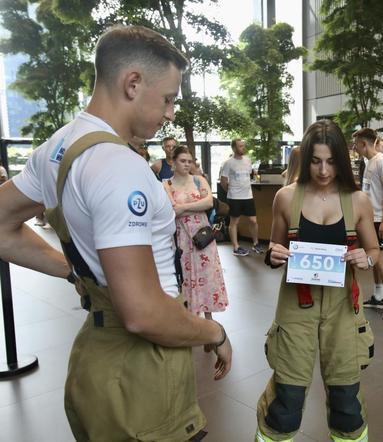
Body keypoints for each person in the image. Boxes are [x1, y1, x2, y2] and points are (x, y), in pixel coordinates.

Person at [0, 25, 232, 440]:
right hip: (142, 369)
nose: (170, 113)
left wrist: (74, 272)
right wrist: (214, 333)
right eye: (168, 98)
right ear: (132, 83)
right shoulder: (119, 167)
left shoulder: (58, 146)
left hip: (96, 356)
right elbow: (143, 313)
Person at [256, 119, 379, 442]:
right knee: (287, 400)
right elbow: (273, 247)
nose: (324, 170)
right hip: (295, 307)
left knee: (346, 401)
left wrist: (367, 258)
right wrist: (273, 254)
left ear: (342, 159)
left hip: (343, 310)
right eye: (315, 161)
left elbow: (375, 250)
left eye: (331, 161)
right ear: (305, 158)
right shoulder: (286, 198)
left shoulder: (358, 201)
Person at [164, 146, 229, 332]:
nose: (186, 164)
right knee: (186, 277)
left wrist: (184, 208)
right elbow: (171, 208)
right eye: (182, 161)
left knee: (207, 275)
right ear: (173, 162)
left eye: (189, 161)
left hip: (203, 235)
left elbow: (209, 202)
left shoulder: (199, 180)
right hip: (182, 237)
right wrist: (194, 206)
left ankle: (210, 322)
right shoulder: (166, 184)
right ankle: (192, 322)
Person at [353, 128, 383, 319]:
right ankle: (378, 296)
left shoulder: (382, 161)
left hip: (380, 218)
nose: (354, 147)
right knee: (375, 257)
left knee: (379, 259)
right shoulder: (367, 161)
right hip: (369, 218)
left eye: (356, 144)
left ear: (364, 143)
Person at [219, 139, 263, 256]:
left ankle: (256, 243)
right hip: (234, 197)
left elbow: (252, 174)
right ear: (233, 148)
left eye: (243, 146)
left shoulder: (248, 160)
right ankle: (236, 247)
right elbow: (223, 180)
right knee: (234, 222)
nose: (243, 148)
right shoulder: (228, 163)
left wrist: (256, 177)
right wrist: (230, 191)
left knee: (253, 221)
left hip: (248, 196)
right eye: (240, 146)